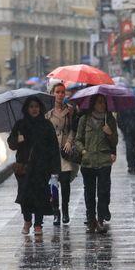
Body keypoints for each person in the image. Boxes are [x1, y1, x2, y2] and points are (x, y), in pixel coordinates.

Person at [7, 96, 61, 236]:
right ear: (27, 108)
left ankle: (38, 224)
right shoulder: (20, 125)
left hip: (42, 167)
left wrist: (55, 170)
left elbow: (54, 148)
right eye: (31, 106)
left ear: (40, 108)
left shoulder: (46, 125)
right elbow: (11, 145)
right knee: (24, 196)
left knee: (40, 196)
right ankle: (27, 220)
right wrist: (17, 140)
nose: (34, 109)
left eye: (36, 106)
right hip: (24, 168)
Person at [75, 95, 118, 234]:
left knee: (103, 192)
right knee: (89, 193)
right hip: (88, 163)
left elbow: (115, 142)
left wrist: (110, 133)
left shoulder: (109, 119)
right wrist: (83, 151)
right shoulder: (84, 119)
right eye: (99, 102)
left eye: (104, 102)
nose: (102, 105)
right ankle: (91, 220)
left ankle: (100, 221)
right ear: (93, 104)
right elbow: (78, 140)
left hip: (104, 161)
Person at [46, 79, 78, 225]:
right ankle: (55, 212)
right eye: (57, 92)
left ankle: (65, 211)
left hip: (65, 151)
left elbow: (73, 128)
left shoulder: (70, 110)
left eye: (62, 92)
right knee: (53, 184)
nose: (60, 95)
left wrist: (70, 142)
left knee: (65, 183)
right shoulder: (47, 112)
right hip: (51, 153)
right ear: (52, 93)